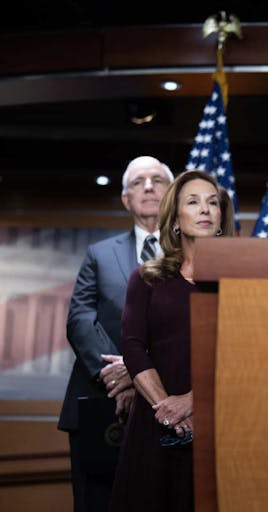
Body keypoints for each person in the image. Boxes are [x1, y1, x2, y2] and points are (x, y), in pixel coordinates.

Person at [108, 170, 234, 512]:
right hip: (154, 424)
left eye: (212, 203)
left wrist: (193, 401)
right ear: (176, 219)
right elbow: (133, 346)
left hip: (220, 420)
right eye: (193, 202)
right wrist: (167, 409)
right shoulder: (147, 278)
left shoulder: (238, 281)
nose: (205, 209)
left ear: (222, 216)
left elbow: (243, 356)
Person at [59, 156, 173, 512]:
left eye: (158, 180)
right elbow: (80, 319)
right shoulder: (99, 254)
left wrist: (139, 369)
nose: (150, 187)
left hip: (169, 401)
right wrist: (118, 373)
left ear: (172, 194)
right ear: (126, 199)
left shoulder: (193, 255)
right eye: (139, 182)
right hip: (100, 399)